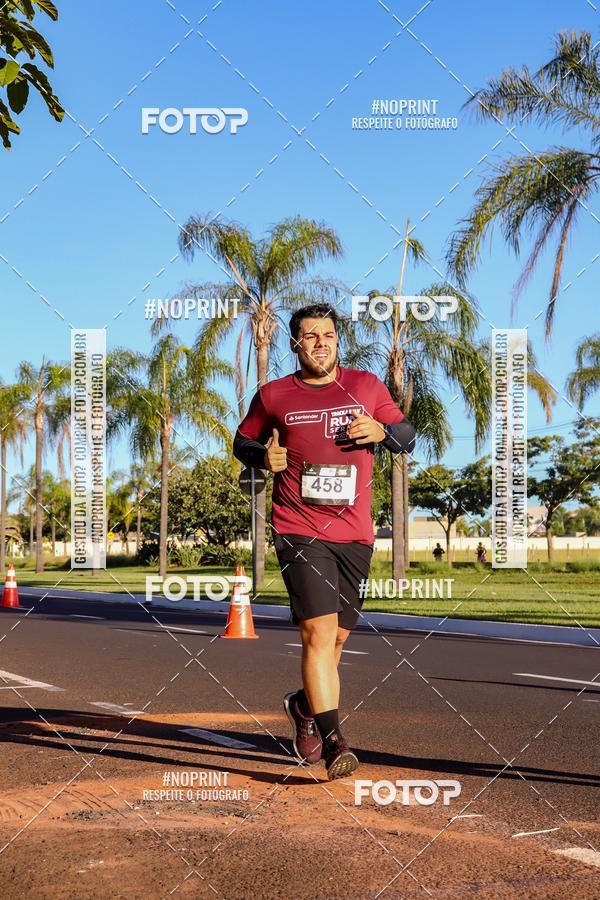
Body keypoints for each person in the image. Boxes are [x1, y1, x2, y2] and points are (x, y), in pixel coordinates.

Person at [233, 304, 415, 780]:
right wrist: (262, 455)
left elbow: (406, 434)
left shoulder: (366, 386)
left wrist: (383, 430)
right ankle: (336, 743)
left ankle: (305, 707)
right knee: (317, 633)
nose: (320, 343)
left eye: (328, 335)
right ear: (295, 344)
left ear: (338, 340)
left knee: (334, 640)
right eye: (310, 336)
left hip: (355, 533)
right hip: (298, 527)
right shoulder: (274, 395)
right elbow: (243, 441)